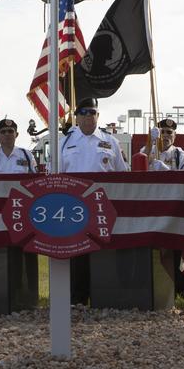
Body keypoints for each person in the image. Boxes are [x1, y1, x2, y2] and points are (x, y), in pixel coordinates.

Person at [59, 97, 128, 304]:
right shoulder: (64, 142)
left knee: (103, 252)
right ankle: (77, 300)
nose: (89, 116)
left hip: (102, 205)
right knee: (77, 253)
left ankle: (104, 297)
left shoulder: (111, 142)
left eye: (92, 112)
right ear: (76, 117)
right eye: (84, 113)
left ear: (98, 116)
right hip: (73, 206)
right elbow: (56, 176)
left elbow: (121, 174)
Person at [144, 117, 184, 296]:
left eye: (169, 133)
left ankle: (180, 294)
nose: (165, 136)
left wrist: (166, 170)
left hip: (174, 210)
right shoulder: (148, 152)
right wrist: (150, 143)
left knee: (177, 252)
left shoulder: (180, 154)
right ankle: (156, 292)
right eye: (162, 132)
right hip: (153, 211)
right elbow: (137, 169)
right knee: (156, 254)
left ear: (175, 135)